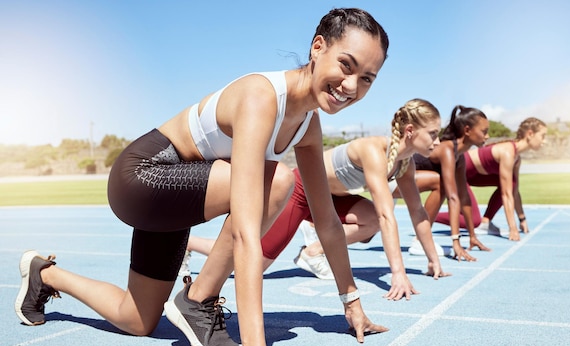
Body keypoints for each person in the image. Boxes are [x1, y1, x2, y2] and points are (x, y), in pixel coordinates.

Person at [14, 8, 389, 346]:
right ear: (318, 47)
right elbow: (247, 234)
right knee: (279, 181)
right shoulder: (262, 97)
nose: (351, 86)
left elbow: (328, 221)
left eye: (367, 78)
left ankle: (44, 274)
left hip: (177, 197)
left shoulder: (308, 124)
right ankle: (198, 300)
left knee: (137, 319)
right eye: (346, 65)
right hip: (142, 176)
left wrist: (350, 300)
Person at [180, 99, 450, 302]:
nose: (438, 142)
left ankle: (312, 251)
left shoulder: (404, 165)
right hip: (301, 191)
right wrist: (398, 273)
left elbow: (417, 212)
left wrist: (433, 259)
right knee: (254, 261)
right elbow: (387, 214)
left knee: (369, 222)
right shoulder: (374, 150)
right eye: (434, 134)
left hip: (331, 198)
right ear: (411, 131)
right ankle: (186, 242)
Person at [395, 105, 492, 261]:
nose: (487, 136)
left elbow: (463, 197)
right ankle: (420, 240)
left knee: (367, 234)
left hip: (408, 183)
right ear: (467, 130)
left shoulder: (459, 156)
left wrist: (472, 236)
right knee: (440, 183)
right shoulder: (447, 149)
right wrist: (456, 242)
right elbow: (452, 198)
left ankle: (422, 238)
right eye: (484, 131)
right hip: (395, 181)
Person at [439, 117, 548, 241]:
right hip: (457, 172)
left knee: (511, 183)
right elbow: (506, 194)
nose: (544, 141)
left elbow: (514, 191)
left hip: (472, 176)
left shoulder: (516, 159)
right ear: (530, 134)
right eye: (542, 136)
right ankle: (430, 215)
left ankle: (486, 222)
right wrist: (512, 228)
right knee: (474, 221)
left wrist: (522, 219)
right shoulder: (508, 152)